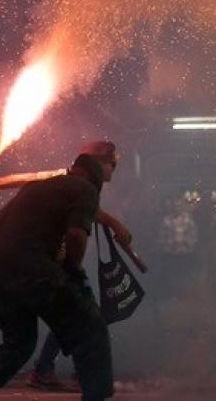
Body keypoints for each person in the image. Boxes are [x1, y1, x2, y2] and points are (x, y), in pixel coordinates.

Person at [0, 143, 118, 401]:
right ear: (95, 173)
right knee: (91, 329)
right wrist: (73, 271)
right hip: (32, 267)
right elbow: (76, 235)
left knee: (18, 346)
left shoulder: (36, 188)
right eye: (112, 165)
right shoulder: (85, 189)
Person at [27, 145, 136, 390]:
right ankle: (71, 372)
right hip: (56, 261)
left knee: (71, 316)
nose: (113, 169)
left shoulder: (81, 186)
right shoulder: (77, 184)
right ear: (99, 164)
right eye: (111, 164)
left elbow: (91, 212)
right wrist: (115, 224)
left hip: (57, 261)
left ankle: (48, 369)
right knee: (84, 316)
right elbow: (86, 216)